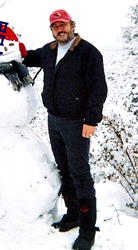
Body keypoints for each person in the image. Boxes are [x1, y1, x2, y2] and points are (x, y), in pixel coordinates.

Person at [23, 9, 107, 250]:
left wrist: (91, 120)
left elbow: (98, 88)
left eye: (63, 24)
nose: (60, 29)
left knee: (80, 173)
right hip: (54, 120)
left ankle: (88, 231)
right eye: (55, 26)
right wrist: (15, 49)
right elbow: (28, 57)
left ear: (72, 24)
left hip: (77, 123)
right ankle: (73, 214)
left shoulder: (88, 52)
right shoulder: (49, 51)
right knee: (65, 169)